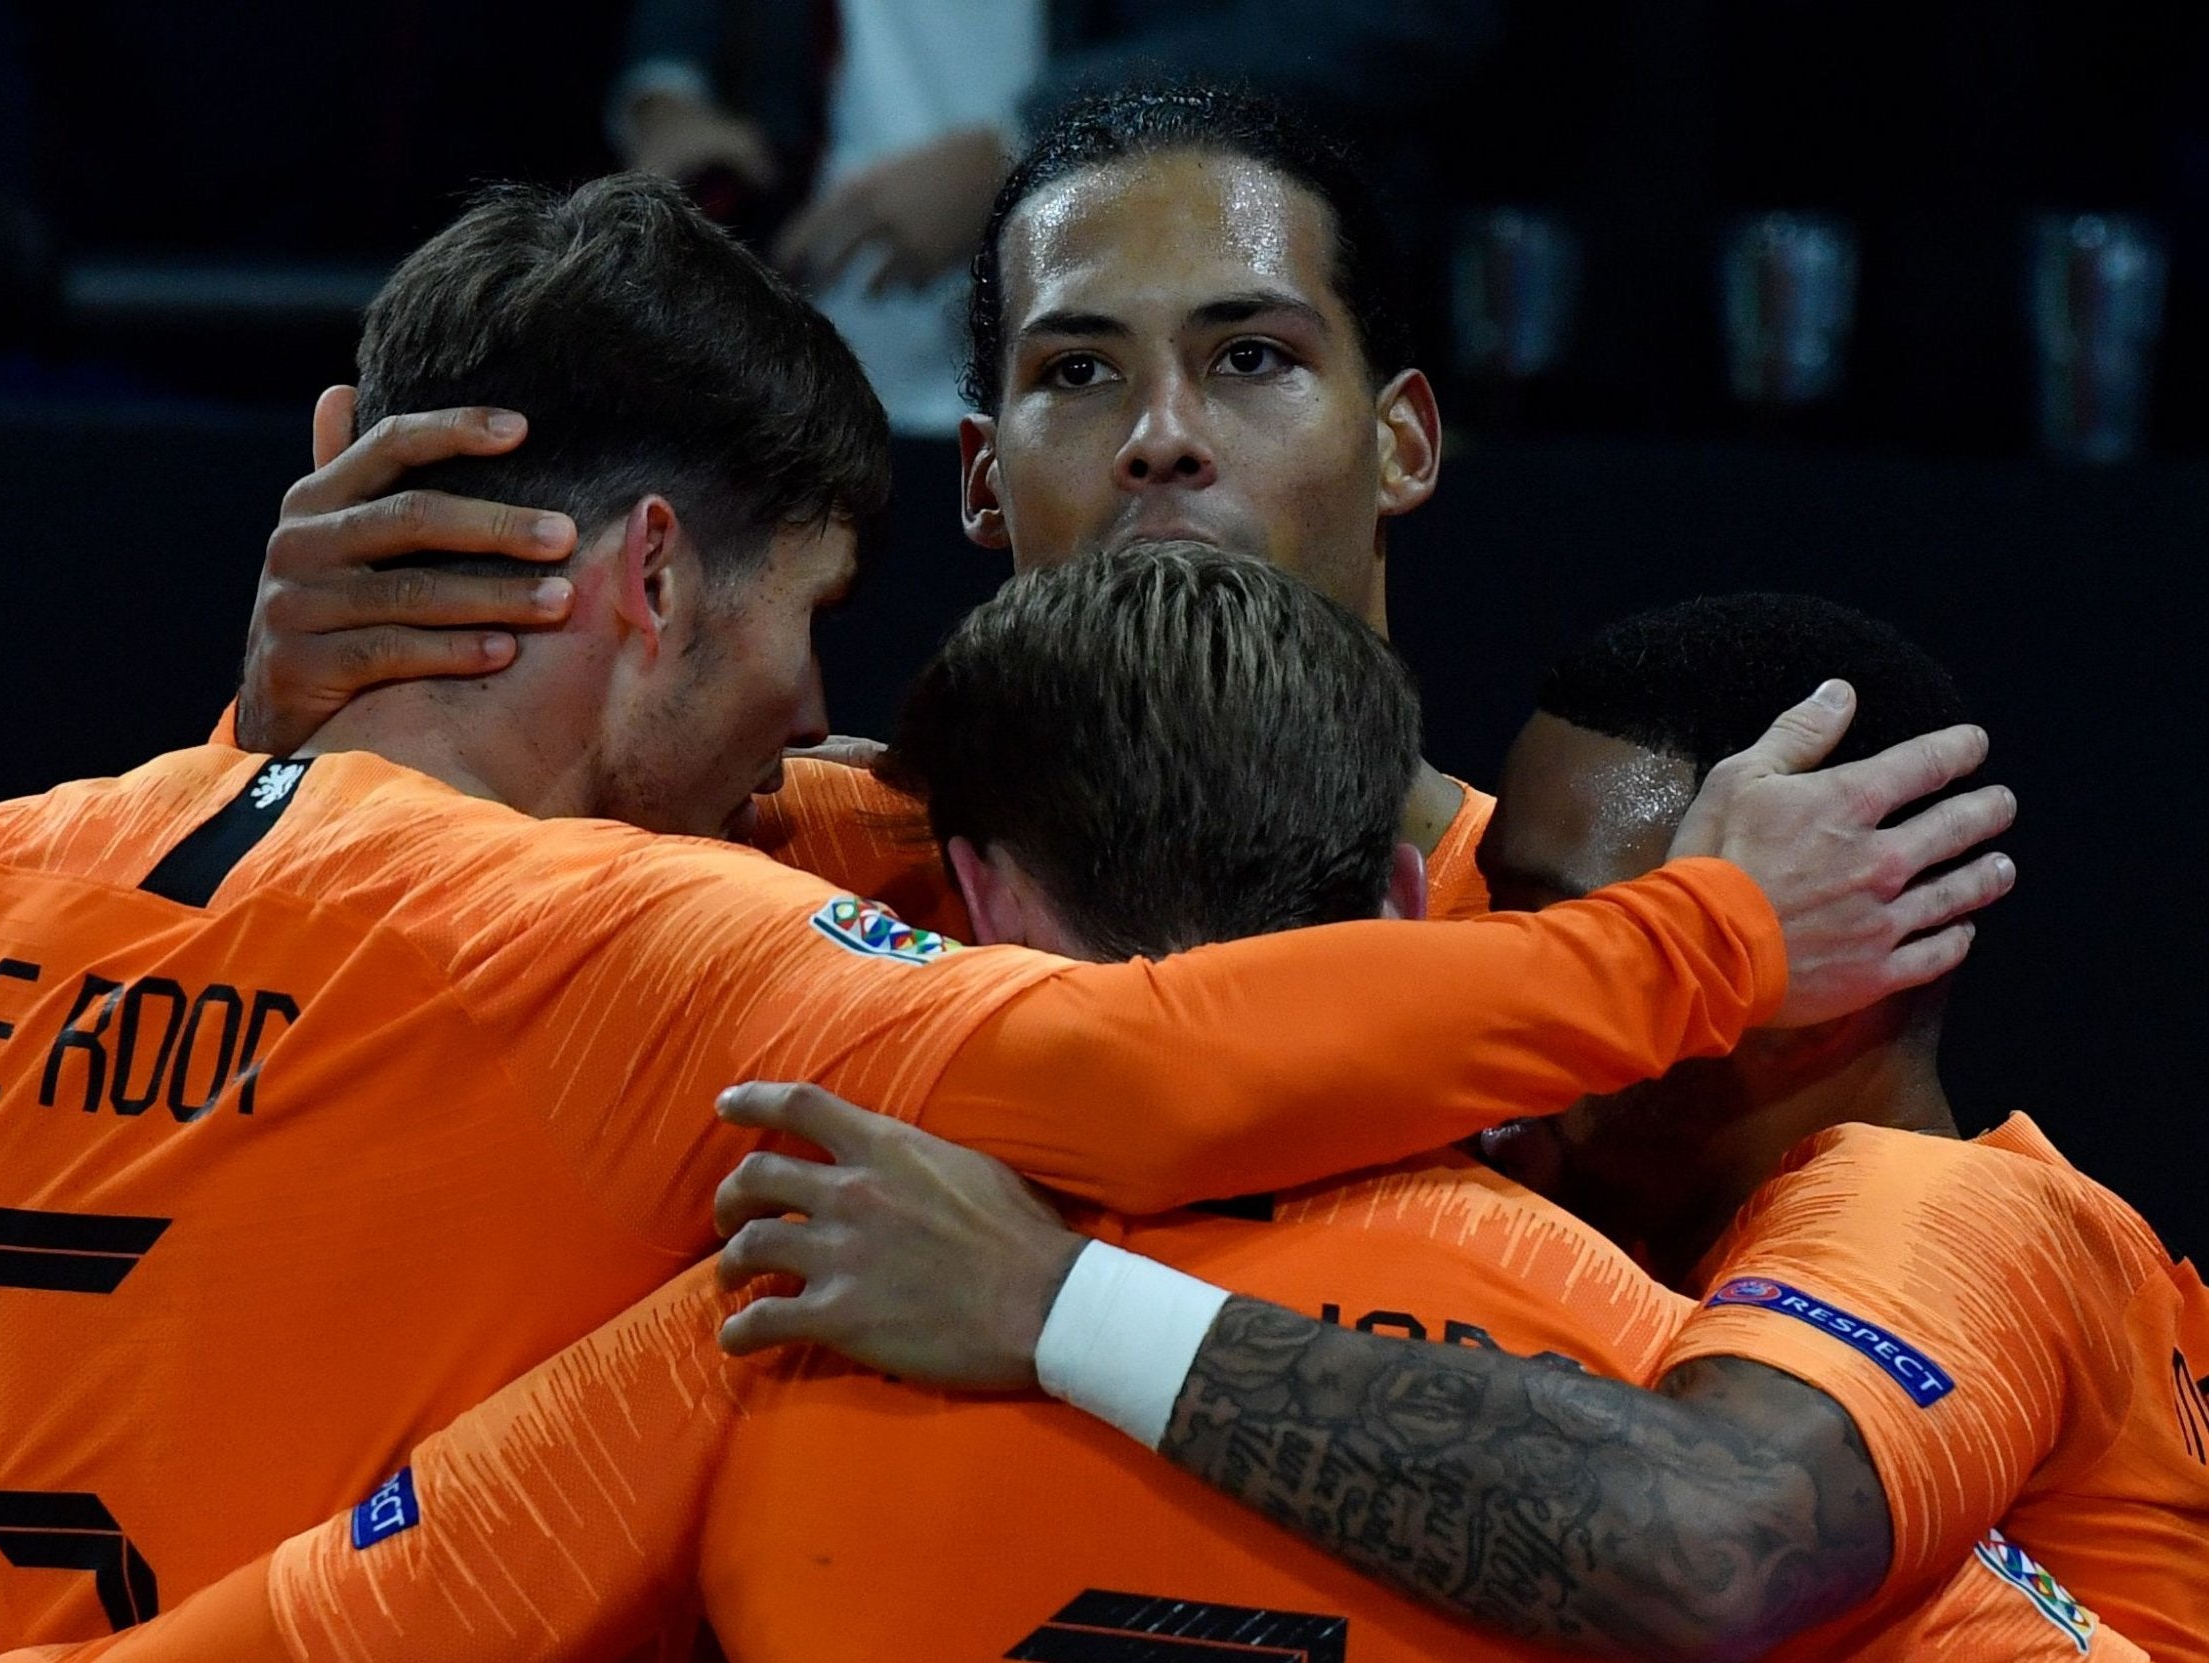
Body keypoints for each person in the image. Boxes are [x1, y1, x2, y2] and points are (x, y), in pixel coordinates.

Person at [0, 177, 1999, 1647]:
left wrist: (275, 743)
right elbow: (1137, 1062)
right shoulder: (652, 948)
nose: (802, 709)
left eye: (1246, 355)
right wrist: (1715, 932)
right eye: (808, 614)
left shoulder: (34, 858)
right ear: (656, 575)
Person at [707, 594, 2205, 1660]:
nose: (1501, 976)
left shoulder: (1955, 1214)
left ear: (1822, 962)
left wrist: (1053, 1303)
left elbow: (1709, 1543)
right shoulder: (1603, 1175)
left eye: (1588, 931)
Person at [226, 86, 1514, 924]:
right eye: (1077, 373)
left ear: (1402, 441)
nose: (1162, 438)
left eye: (1250, 358)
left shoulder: (1563, 907)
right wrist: (293, 747)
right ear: (981, 480)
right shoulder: (769, 844)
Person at [608, 6, 1497, 432]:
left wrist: (1031, 143)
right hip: (799, 404)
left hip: (1127, 393)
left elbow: (1391, 25)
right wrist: (668, 93)